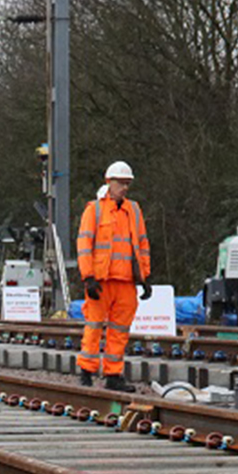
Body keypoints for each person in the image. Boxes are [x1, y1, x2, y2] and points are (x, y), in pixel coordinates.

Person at [76, 160, 151, 391]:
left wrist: (145, 277)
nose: (125, 188)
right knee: (94, 326)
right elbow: (84, 244)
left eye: (128, 183)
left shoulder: (134, 210)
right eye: (121, 183)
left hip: (126, 282)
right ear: (109, 182)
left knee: (120, 331)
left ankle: (113, 375)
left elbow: (142, 244)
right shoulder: (95, 209)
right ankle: (87, 371)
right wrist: (88, 277)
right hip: (101, 281)